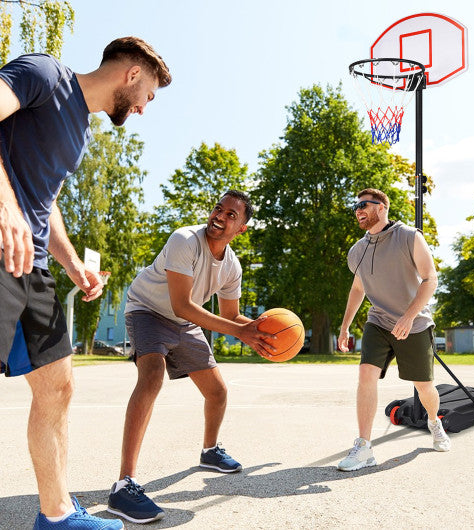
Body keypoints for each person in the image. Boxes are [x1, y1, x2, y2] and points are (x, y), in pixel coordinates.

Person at [0, 37, 171, 529]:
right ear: (132, 74)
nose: (143, 109)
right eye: (149, 97)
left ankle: (56, 517)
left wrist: (73, 263)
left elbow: (43, 197)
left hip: (31, 264)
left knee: (58, 386)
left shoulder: (77, 128)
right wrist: (6, 209)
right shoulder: (44, 74)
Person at [107, 190, 275, 524]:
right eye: (218, 209)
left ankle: (210, 451)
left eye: (231, 215)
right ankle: (124, 485)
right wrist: (238, 331)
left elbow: (232, 314)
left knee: (218, 391)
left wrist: (260, 329)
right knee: (152, 375)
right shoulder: (184, 239)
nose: (220, 216)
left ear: (241, 228)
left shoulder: (231, 267)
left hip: (184, 322)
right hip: (148, 311)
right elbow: (183, 303)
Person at [336, 188, 450, 472]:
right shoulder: (357, 251)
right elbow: (358, 288)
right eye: (356, 206)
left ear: (382, 207)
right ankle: (364, 447)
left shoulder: (410, 237)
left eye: (364, 204)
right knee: (365, 374)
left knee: (424, 387)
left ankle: (434, 422)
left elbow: (430, 279)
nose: (358, 210)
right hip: (379, 321)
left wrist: (409, 316)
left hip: (415, 323)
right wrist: (345, 327)